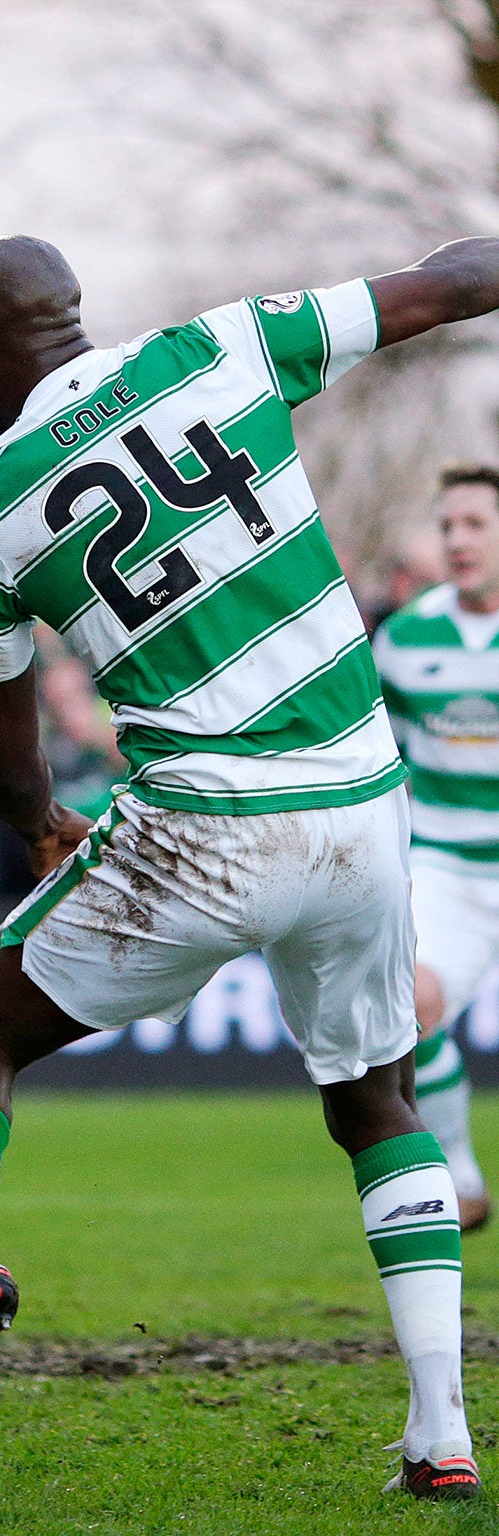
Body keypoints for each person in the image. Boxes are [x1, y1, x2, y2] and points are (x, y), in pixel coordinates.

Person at [0, 234, 499, 1503]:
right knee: (375, 1101)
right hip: (360, 805)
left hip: (198, 822)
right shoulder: (226, 344)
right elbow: (449, 285)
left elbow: (9, 760)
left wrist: (37, 834)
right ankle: (438, 1429)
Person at [373, 463, 499, 1234]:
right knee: (412, 1004)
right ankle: (458, 1169)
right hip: (448, 866)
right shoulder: (405, 636)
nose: (457, 539)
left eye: (475, 524)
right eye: (447, 524)